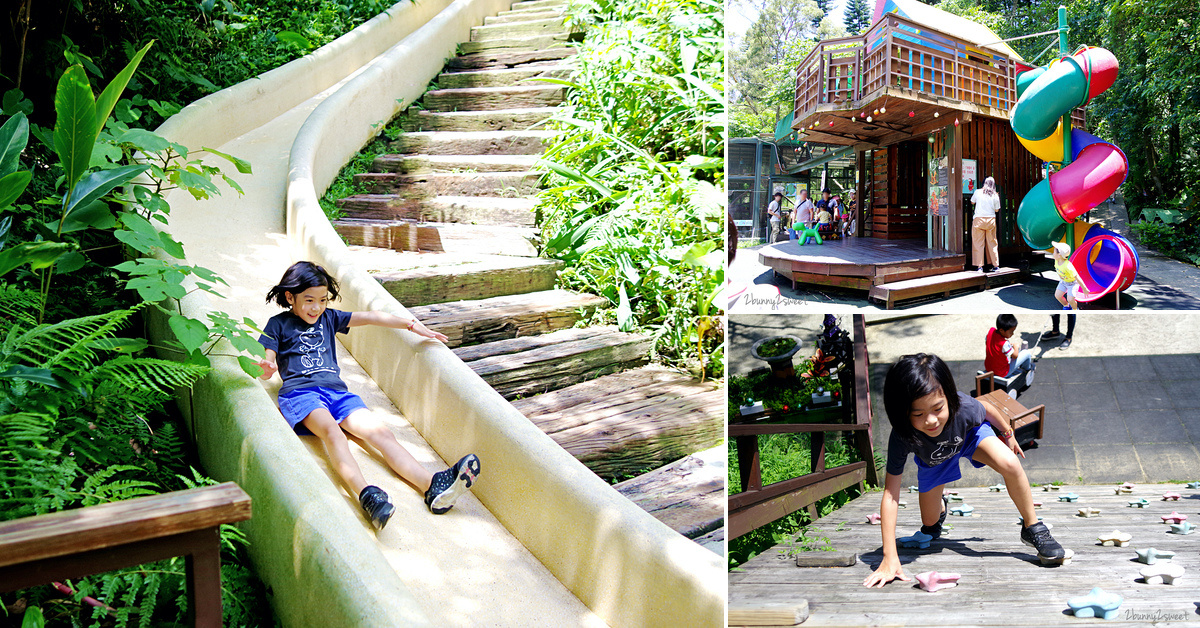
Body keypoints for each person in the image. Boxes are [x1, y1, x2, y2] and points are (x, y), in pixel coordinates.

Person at [256, 261, 481, 530]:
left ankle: (432, 486)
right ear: (290, 296)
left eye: (322, 300)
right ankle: (367, 496)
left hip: (338, 394)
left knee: (381, 433)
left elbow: (372, 317)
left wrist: (412, 325)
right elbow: (266, 363)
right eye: (308, 300)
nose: (316, 307)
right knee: (333, 432)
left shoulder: (330, 318)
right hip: (302, 394)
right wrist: (266, 367)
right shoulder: (278, 324)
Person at [862, 354, 1064, 588]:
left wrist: (1008, 435)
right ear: (903, 413)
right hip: (933, 459)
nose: (930, 421)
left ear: (947, 397)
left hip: (968, 438)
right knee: (930, 524)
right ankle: (941, 508)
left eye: (938, 408)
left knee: (1010, 463)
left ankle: (1032, 527)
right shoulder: (902, 436)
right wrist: (889, 556)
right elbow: (890, 495)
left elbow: (988, 408)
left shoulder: (964, 408)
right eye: (918, 414)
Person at [985, 314, 1035, 393]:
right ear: (1001, 330)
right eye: (1011, 332)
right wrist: (1016, 346)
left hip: (989, 368)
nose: (1013, 334)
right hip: (1003, 372)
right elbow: (1015, 356)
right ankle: (1027, 369)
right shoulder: (1004, 343)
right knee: (1026, 353)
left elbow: (987, 342)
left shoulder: (991, 331)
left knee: (1007, 355)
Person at [969, 176, 1002, 272]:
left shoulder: (978, 192)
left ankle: (979, 267)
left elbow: (972, 202)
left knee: (978, 243)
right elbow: (997, 209)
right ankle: (995, 265)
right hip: (991, 220)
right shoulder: (995, 195)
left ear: (984, 183)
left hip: (978, 220)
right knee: (992, 243)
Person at [1052, 241, 1087, 310]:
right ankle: (1066, 305)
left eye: (1054, 252)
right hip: (1063, 281)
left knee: (1070, 299)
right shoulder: (1057, 261)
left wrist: (1084, 288)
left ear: (1059, 255)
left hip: (1072, 283)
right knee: (1058, 296)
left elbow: (1077, 277)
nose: (1053, 254)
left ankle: (1075, 309)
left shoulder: (1068, 266)